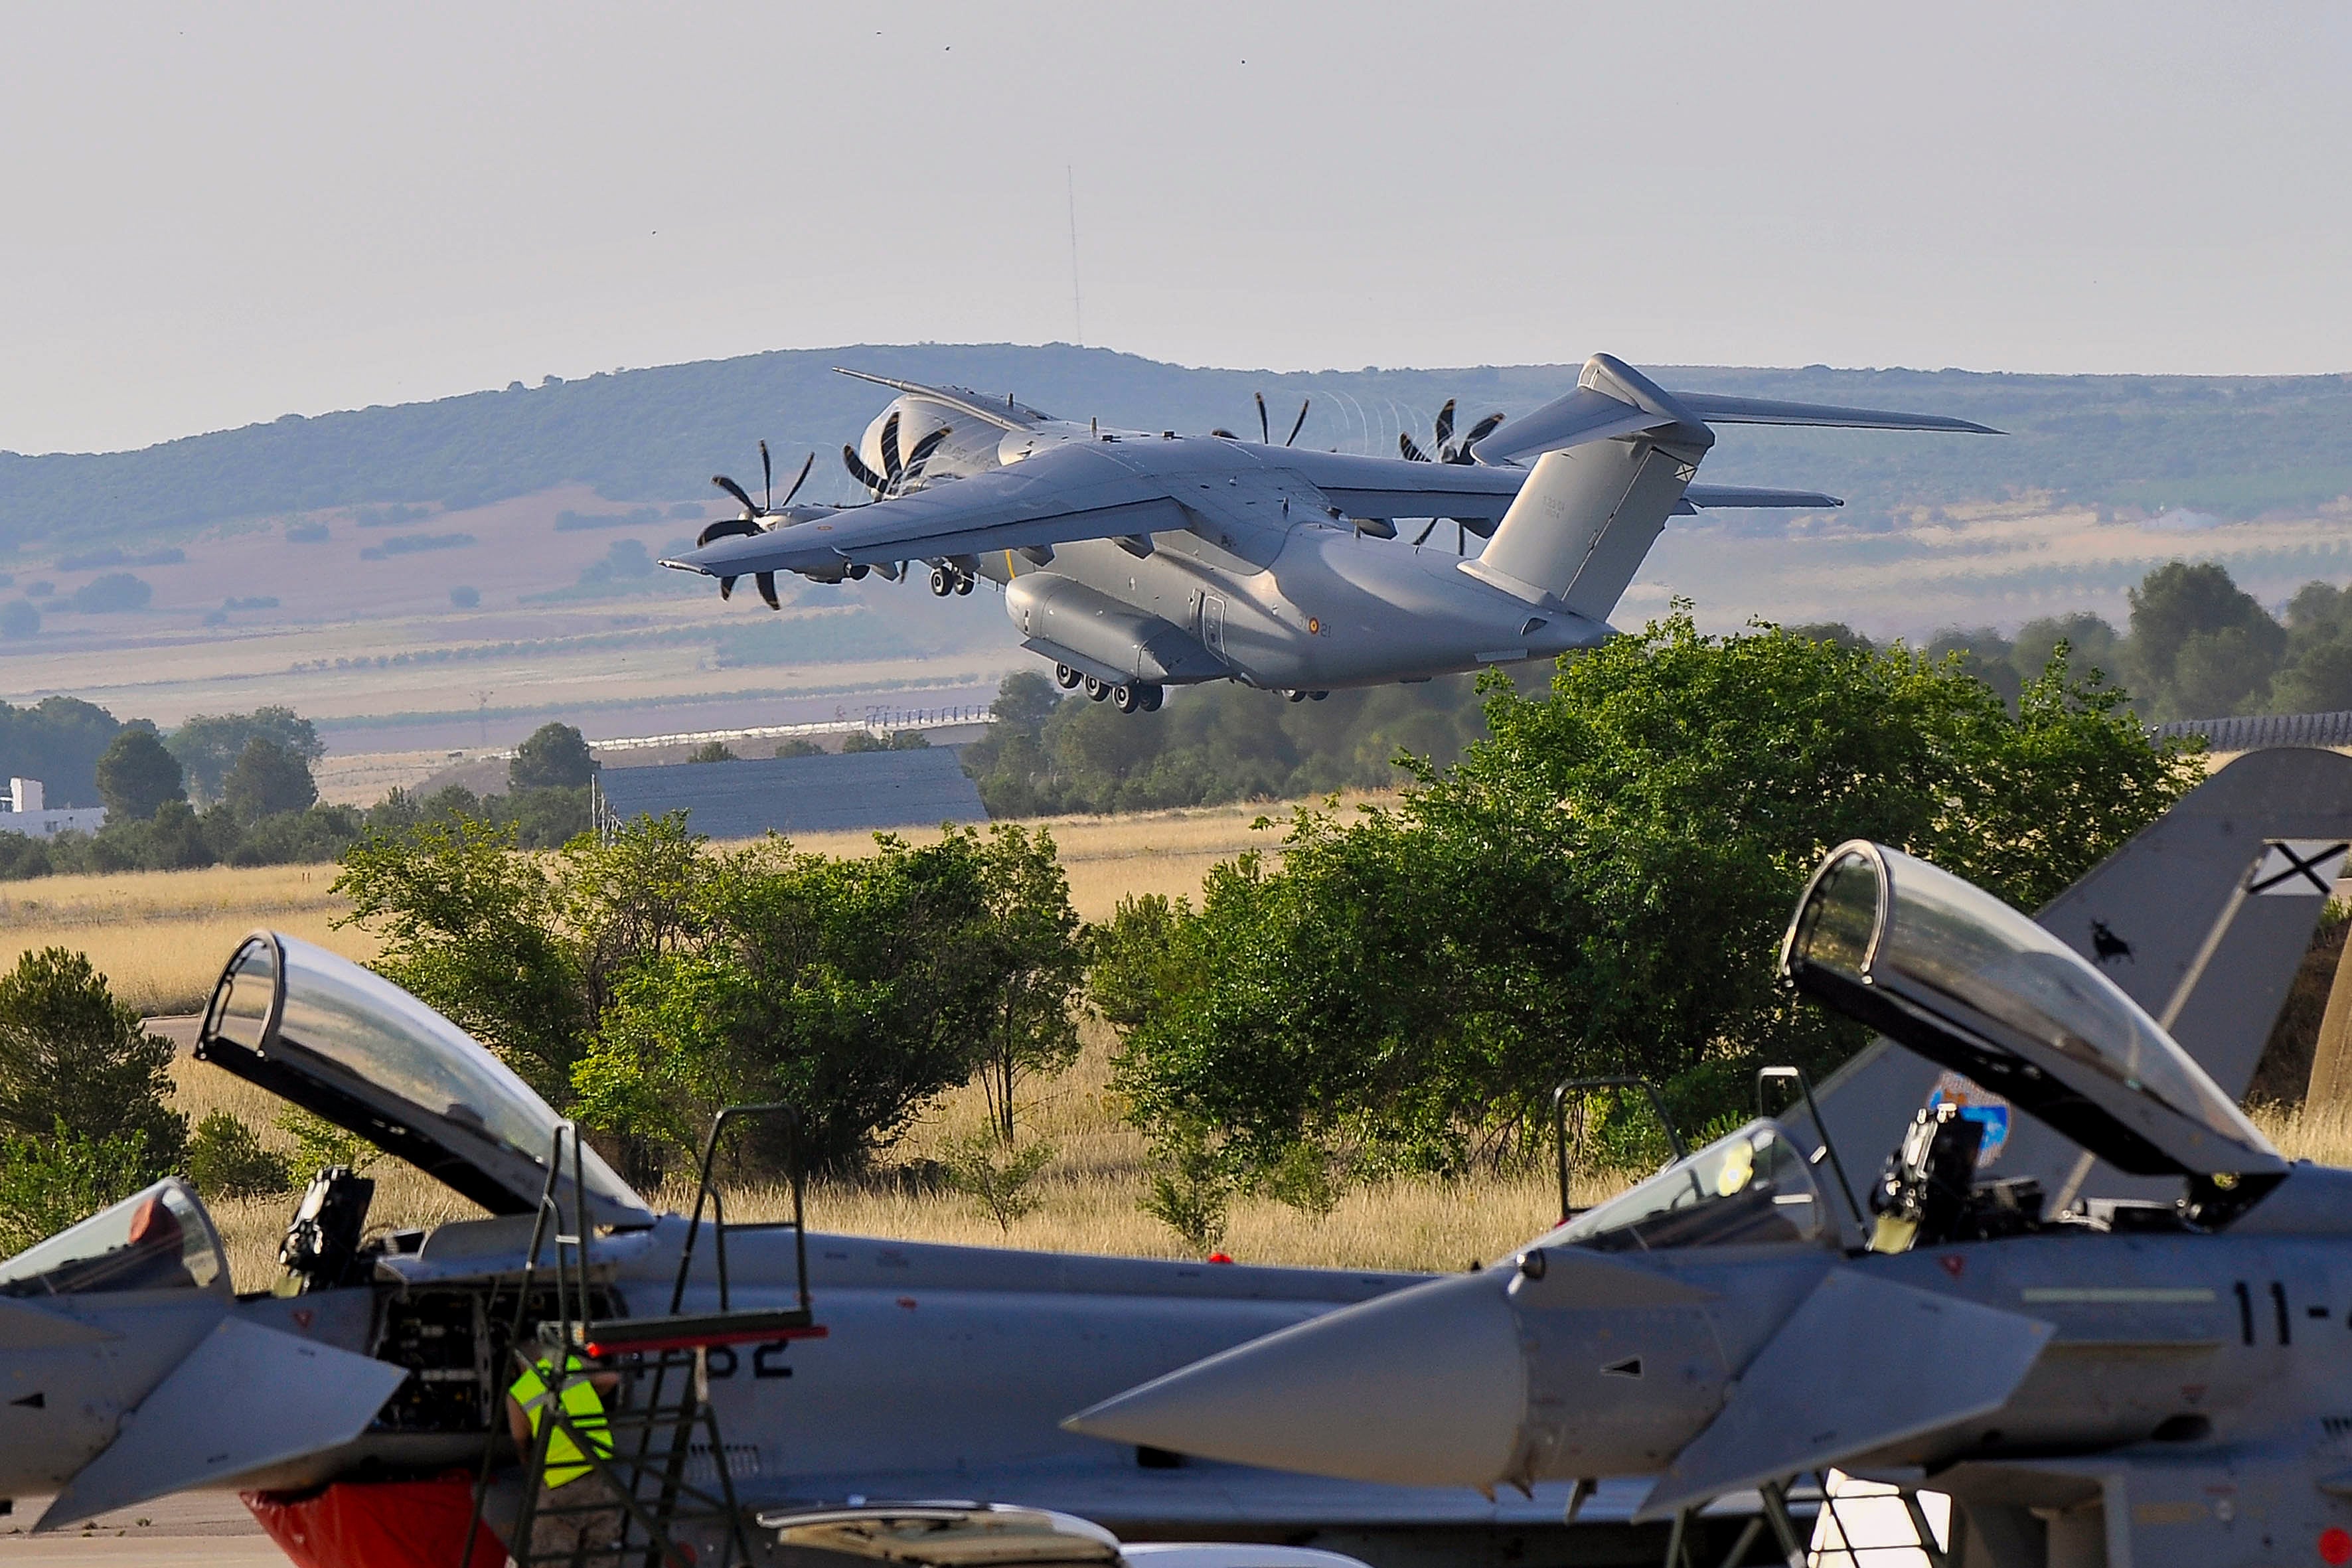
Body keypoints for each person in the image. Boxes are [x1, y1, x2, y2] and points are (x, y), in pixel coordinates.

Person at [505, 1343, 626, 1561]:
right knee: (602, 1550)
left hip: (560, 1482)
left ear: (521, 1365)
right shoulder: (573, 1365)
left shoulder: (518, 1393)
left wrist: (530, 1472)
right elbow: (612, 1379)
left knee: (552, 1553)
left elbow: (521, 1441)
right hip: (600, 1473)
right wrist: (590, 1392)